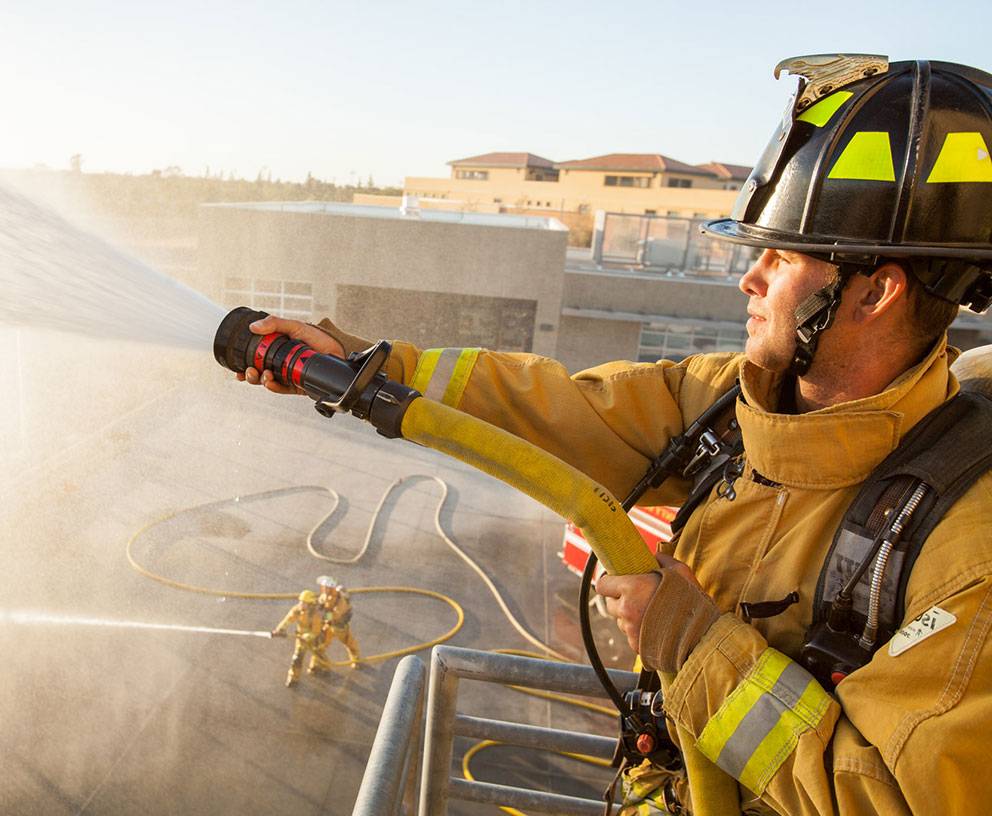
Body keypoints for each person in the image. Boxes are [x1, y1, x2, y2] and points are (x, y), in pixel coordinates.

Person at [239, 55, 992, 814]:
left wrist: (694, 646)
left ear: (876, 292)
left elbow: (897, 800)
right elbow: (555, 410)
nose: (749, 279)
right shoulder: (734, 403)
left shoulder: (971, 551)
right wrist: (370, 368)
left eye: (782, 256)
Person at [271, 590, 325, 687]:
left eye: (304, 602)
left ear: (310, 604)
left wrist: (308, 636)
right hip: (301, 638)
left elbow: (316, 631)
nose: (301, 604)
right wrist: (280, 629)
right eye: (300, 601)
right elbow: (288, 619)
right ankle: (293, 677)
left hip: (314, 638)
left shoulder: (316, 615)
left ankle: (315, 666)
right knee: (297, 658)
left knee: (318, 653)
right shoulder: (297, 610)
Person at [316, 575, 361, 669]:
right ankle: (317, 663)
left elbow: (336, 614)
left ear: (330, 588)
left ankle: (356, 660)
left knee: (349, 644)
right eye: (322, 587)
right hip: (328, 625)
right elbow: (321, 602)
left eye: (325, 587)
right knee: (320, 644)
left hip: (339, 627)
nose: (323, 588)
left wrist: (325, 616)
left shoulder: (340, 600)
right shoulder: (325, 596)